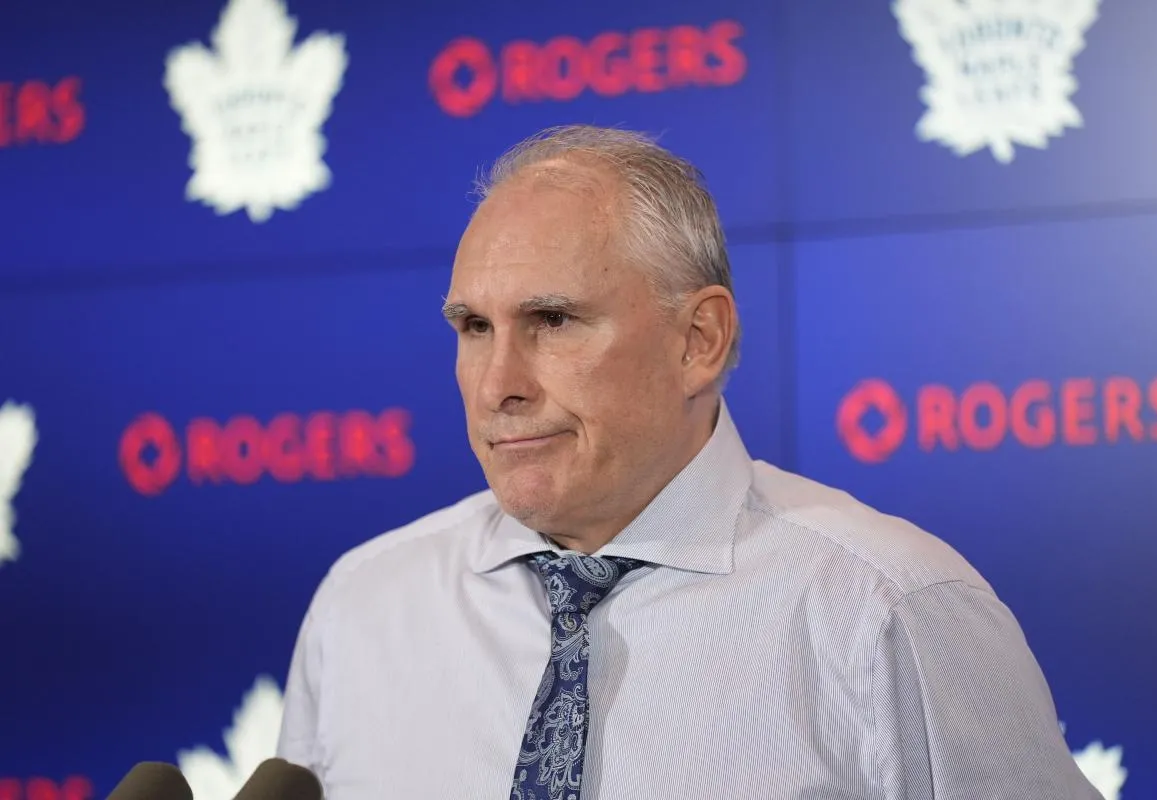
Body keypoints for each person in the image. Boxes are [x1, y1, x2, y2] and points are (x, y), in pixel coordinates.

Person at [276, 124, 1102, 799]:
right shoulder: (364, 605)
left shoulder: (888, 610)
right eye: (473, 328)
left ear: (697, 341)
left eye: (554, 320)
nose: (498, 385)